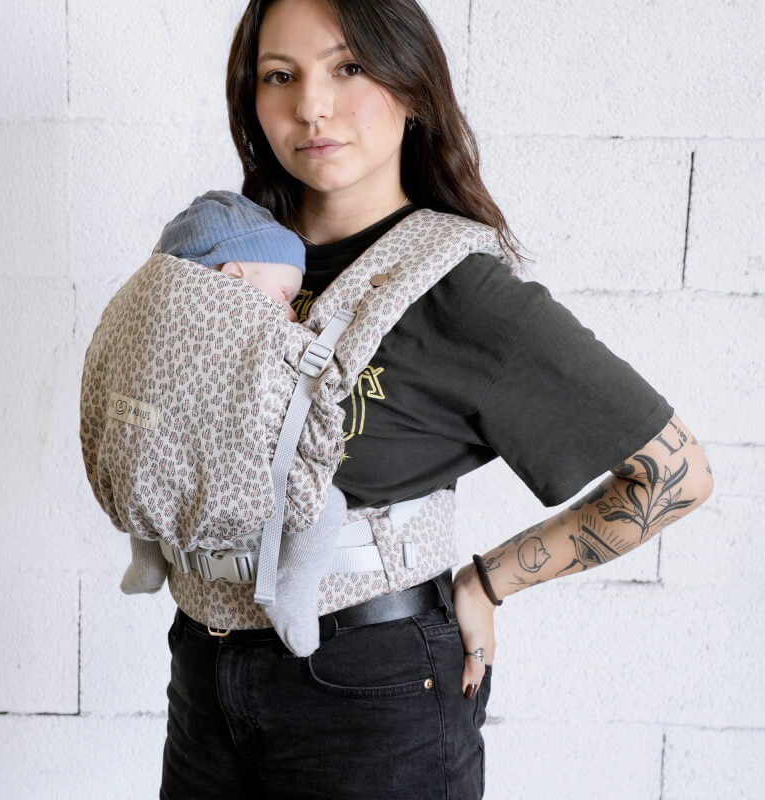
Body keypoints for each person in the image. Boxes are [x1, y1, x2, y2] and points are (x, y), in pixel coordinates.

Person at [158, 0, 714, 797]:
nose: (311, 106)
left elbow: (676, 474)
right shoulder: (223, 257)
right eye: (280, 76)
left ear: (412, 89)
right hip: (203, 671)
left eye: (349, 68)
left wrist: (488, 582)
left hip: (371, 690)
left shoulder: (461, 290)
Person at [116, 188, 351, 657]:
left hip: (157, 457)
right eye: (285, 295)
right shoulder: (244, 330)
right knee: (329, 508)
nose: (291, 313)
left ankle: (147, 560)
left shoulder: (149, 318)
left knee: (141, 472)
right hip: (225, 467)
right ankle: (292, 586)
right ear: (233, 276)